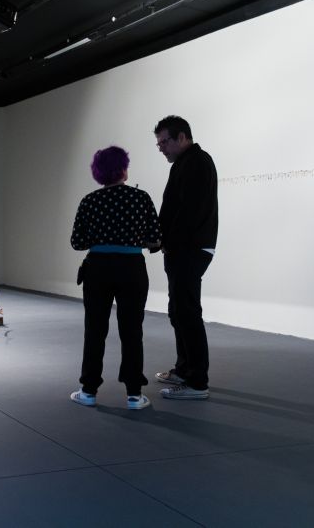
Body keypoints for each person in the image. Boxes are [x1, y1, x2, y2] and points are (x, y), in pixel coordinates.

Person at [69, 146, 161, 410]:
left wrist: (100, 238)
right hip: (132, 268)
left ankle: (88, 390)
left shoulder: (90, 201)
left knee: (95, 330)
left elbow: (77, 242)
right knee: (132, 331)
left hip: (98, 268)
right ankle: (134, 394)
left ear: (98, 172)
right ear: (123, 169)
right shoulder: (140, 198)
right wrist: (133, 239)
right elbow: (155, 239)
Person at [153, 116, 218, 400]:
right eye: (158, 144)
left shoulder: (198, 162)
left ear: (182, 137)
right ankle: (184, 369)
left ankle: (197, 382)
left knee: (187, 312)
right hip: (182, 248)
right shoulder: (184, 163)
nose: (161, 148)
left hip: (190, 248)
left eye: (164, 142)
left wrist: (166, 240)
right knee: (178, 310)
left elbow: (190, 212)